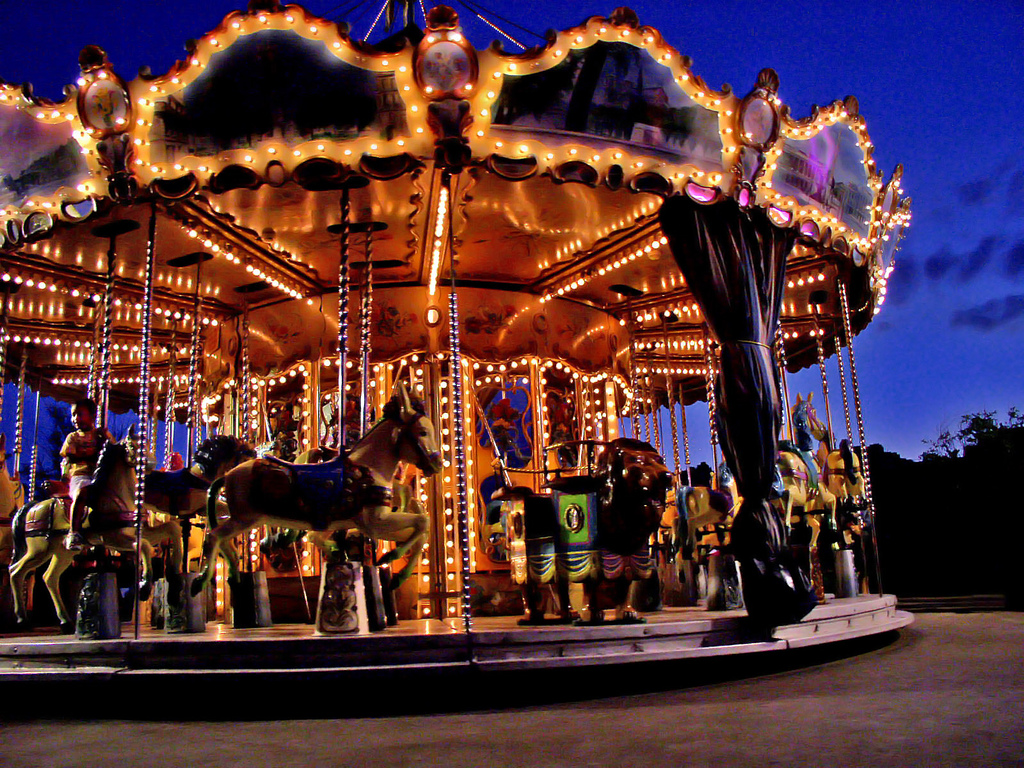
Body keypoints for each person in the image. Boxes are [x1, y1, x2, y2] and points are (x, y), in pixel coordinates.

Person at [61, 398, 113, 552]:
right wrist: (93, 454)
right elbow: (70, 456)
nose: (76, 418)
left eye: (80, 414)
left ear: (92, 416)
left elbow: (113, 449)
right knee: (82, 492)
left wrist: (106, 438)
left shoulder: (99, 435)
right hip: (80, 474)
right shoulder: (73, 437)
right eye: (74, 415)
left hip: (98, 475)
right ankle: (74, 532)